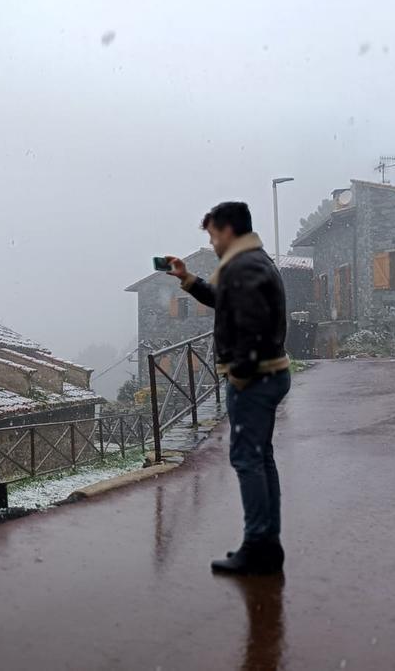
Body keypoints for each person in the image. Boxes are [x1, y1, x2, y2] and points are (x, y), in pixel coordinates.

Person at [167, 201, 291, 575]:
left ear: (228, 231)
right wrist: (187, 280)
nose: (212, 242)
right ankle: (268, 543)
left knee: (247, 460)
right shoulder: (255, 260)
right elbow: (225, 300)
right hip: (269, 374)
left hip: (255, 379)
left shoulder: (242, 265)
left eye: (213, 235)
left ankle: (258, 547)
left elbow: (253, 324)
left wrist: (238, 375)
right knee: (261, 457)